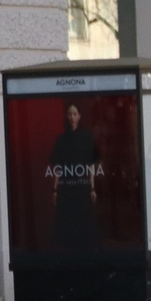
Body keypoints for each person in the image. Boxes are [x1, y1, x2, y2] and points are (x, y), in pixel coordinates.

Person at [47, 100, 102, 251]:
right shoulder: (61, 140)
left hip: (82, 188)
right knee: (66, 224)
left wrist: (92, 187)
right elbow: (58, 167)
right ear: (66, 116)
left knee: (85, 222)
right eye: (70, 114)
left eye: (75, 114)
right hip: (66, 188)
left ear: (79, 116)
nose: (72, 117)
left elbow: (91, 164)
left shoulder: (87, 138)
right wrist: (55, 189)